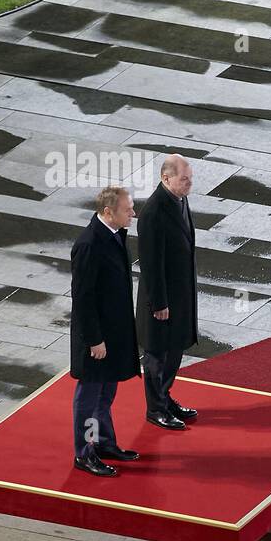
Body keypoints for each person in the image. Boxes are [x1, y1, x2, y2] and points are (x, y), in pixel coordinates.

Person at [70, 185, 141, 477]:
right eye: (128, 210)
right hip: (96, 340)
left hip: (112, 336)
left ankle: (104, 443)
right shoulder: (89, 244)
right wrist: (94, 340)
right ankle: (85, 454)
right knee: (89, 398)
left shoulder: (112, 235)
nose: (133, 214)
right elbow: (83, 297)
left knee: (105, 394)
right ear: (108, 211)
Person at [135, 154, 200, 429]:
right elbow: (151, 264)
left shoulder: (179, 200)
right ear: (166, 178)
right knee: (157, 355)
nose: (189, 184)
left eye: (190, 179)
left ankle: (164, 396)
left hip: (180, 295)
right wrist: (159, 303)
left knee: (175, 350)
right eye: (184, 180)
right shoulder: (153, 213)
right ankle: (156, 409)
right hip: (161, 300)